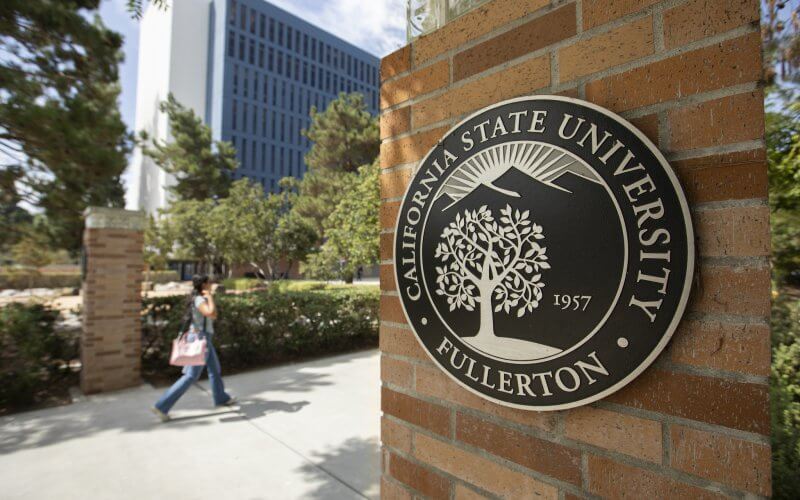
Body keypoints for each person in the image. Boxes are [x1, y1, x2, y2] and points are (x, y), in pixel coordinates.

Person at [151, 274, 236, 422]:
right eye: (209, 282)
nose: (211, 284)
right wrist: (210, 297)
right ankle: (161, 406)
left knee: (214, 370)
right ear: (204, 285)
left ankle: (221, 398)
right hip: (200, 339)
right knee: (191, 376)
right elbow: (212, 314)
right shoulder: (199, 299)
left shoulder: (198, 298)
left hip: (204, 339)